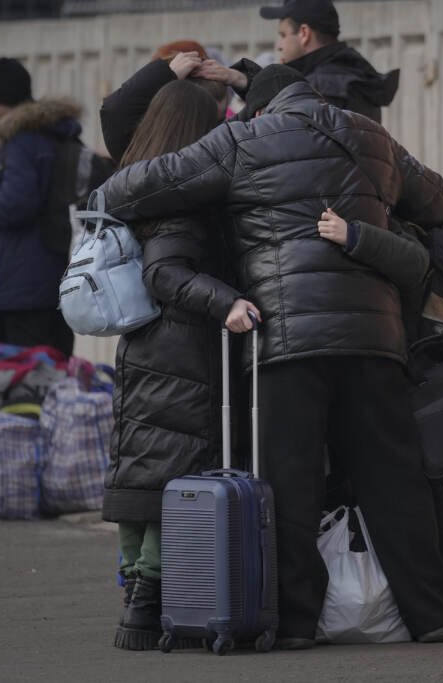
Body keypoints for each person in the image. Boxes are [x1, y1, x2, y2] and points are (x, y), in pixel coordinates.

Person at [97, 64, 443, 648]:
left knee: (289, 482)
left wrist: (112, 195)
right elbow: (438, 201)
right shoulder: (372, 136)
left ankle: (293, 624)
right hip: (376, 336)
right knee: (394, 477)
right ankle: (431, 615)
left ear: (260, 109)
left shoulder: (244, 139)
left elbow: (140, 185)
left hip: (286, 340)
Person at [102, 79, 258, 651]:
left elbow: (115, 111)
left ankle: (135, 603)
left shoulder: (134, 178)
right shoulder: (185, 195)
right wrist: (227, 301)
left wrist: (162, 68)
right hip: (187, 352)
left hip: (144, 347)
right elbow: (165, 273)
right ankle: (147, 607)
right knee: (176, 478)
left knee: (144, 473)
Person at [318, 208, 443, 637]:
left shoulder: (382, 226)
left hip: (395, 364)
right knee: (430, 483)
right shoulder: (409, 217)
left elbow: (407, 271)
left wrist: (355, 236)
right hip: (409, 362)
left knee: (416, 484)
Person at [0, 57, 78, 355]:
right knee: (51, 374)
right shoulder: (51, 134)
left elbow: (12, 207)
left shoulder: (22, 141)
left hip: (23, 289)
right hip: (46, 281)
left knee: (25, 382)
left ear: (6, 101)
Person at [257, 0, 399, 122]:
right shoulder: (354, 73)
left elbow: (282, 147)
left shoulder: (316, 87)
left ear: (304, 33)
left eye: (283, 35)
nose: (279, 46)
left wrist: (277, 97)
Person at [100, 40, 230, 162]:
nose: (213, 130)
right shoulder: (146, 155)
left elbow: (114, 111)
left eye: (219, 121)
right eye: (204, 120)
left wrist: (165, 74)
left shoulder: (143, 159)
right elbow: (114, 111)